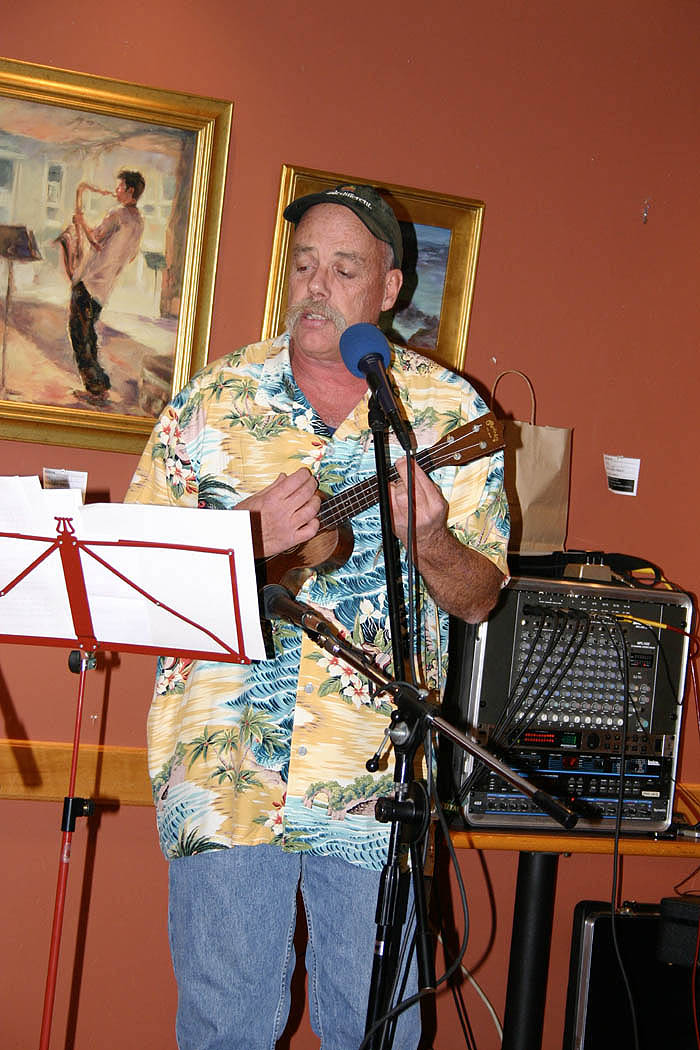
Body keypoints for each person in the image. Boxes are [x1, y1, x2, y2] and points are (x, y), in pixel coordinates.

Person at [125, 183, 510, 1050]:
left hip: (375, 778)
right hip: (224, 766)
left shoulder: (449, 413)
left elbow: (481, 597)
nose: (316, 285)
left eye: (344, 268)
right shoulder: (210, 403)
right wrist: (243, 538)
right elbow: (134, 586)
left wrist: (435, 542)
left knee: (377, 1031)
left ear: (389, 289)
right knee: (226, 1027)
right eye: (304, 264)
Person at [67, 169, 145, 402]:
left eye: (120, 186)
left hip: (90, 282)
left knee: (80, 335)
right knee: (88, 333)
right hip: (103, 287)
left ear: (130, 190)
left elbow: (96, 238)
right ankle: (98, 384)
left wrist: (81, 222)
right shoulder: (138, 221)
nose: (116, 190)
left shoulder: (118, 214)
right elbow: (128, 256)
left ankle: (96, 386)